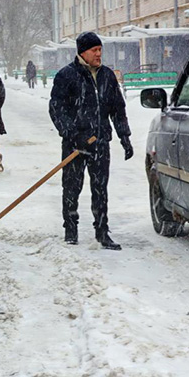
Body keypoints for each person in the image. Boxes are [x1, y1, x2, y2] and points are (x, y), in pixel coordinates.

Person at [48, 31, 132, 251]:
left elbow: (118, 108)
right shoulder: (67, 76)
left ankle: (102, 232)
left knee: (100, 189)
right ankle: (71, 230)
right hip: (75, 144)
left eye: (100, 50)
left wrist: (125, 136)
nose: (98, 54)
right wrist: (73, 135)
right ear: (82, 52)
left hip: (100, 142)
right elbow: (57, 109)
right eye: (94, 50)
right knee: (72, 187)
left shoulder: (107, 76)